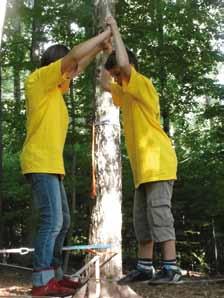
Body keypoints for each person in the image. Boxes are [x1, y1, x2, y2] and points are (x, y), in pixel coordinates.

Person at [20, 27, 112, 297]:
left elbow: (77, 64)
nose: (72, 74)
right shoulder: (39, 80)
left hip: (52, 166)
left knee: (65, 221)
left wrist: (100, 47)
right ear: (56, 65)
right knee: (52, 221)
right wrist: (103, 34)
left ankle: (55, 275)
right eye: (67, 69)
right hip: (40, 162)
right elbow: (74, 57)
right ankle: (41, 280)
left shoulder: (56, 88)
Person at [100, 16, 182, 285]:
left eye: (119, 74)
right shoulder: (125, 92)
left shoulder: (142, 84)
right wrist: (105, 47)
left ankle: (172, 269)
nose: (116, 78)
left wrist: (116, 29)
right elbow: (103, 83)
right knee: (141, 221)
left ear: (130, 69)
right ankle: (145, 267)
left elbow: (123, 64)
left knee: (159, 214)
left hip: (158, 163)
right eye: (116, 76)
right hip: (142, 169)